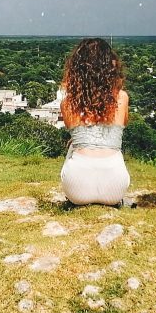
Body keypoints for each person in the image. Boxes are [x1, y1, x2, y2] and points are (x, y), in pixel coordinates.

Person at [59, 38, 131, 206]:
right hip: (115, 187)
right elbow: (123, 124)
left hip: (77, 189)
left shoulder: (68, 104)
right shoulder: (122, 98)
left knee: (74, 144)